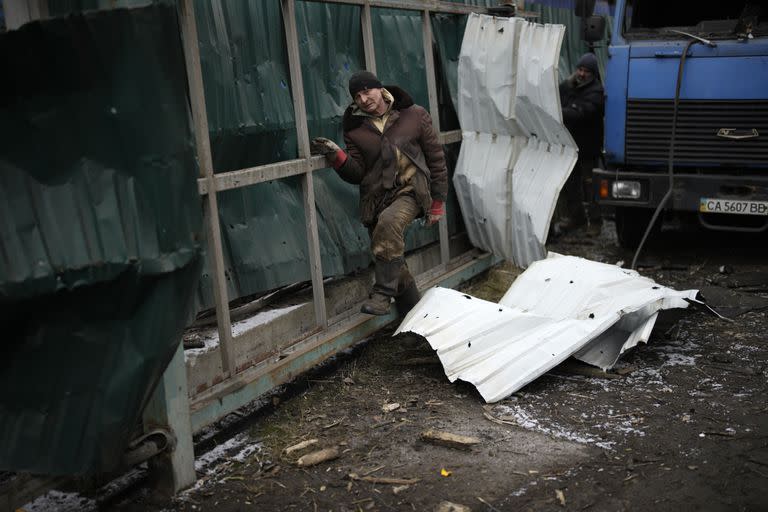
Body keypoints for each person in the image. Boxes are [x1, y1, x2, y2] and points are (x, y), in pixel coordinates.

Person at [310, 71, 448, 316]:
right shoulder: (354, 128)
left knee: (389, 223)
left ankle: (382, 294)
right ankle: (414, 324)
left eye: (367, 91)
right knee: (396, 265)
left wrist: (437, 201)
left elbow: (436, 158)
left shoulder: (414, 114)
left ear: (380, 89)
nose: (363, 99)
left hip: (411, 190)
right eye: (357, 96)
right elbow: (358, 173)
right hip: (377, 198)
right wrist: (337, 156)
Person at [558, 52, 605, 237]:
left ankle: (595, 222)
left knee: (591, 186)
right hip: (570, 146)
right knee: (571, 185)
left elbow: (581, 113)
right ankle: (576, 218)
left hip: (588, 148)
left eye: (586, 71)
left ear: (592, 74)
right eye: (580, 69)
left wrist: (559, 111)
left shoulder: (596, 92)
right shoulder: (568, 87)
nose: (582, 73)